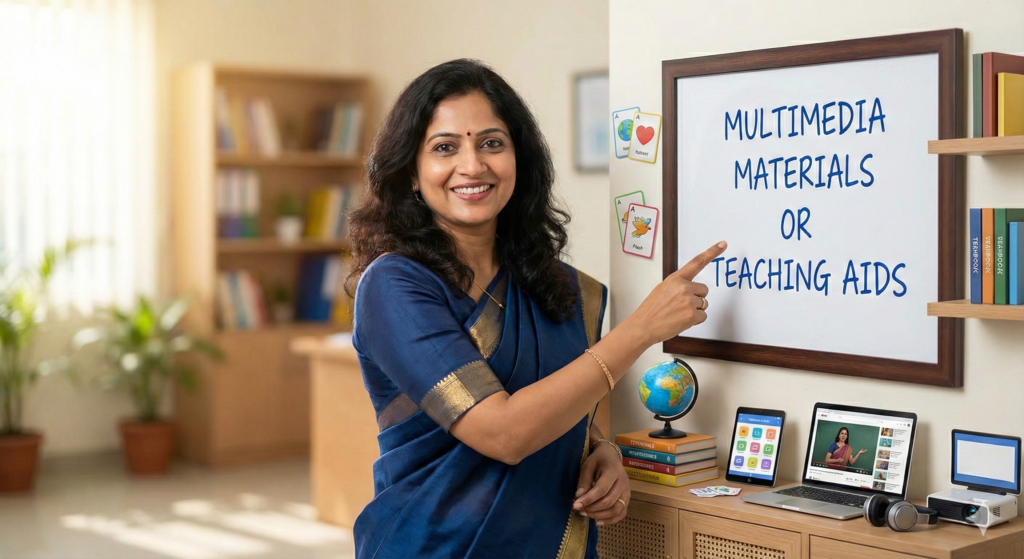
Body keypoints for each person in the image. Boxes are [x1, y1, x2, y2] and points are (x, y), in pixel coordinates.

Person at [347, 58, 727, 559]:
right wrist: (640, 330)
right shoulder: (395, 286)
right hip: (433, 545)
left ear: (518, 159)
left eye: (491, 143)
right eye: (444, 148)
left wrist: (603, 453)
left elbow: (571, 414)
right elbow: (503, 432)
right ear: (412, 175)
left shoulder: (561, 288)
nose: (473, 165)